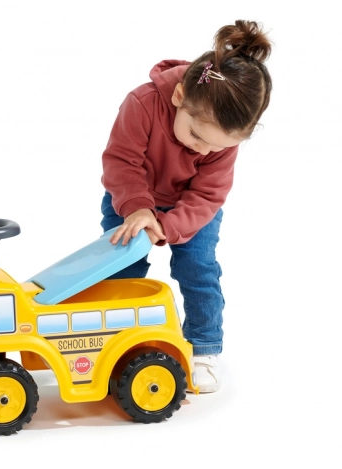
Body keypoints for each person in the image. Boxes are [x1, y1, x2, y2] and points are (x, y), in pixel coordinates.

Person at [99, 20, 272, 392]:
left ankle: (204, 347)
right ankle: (117, 341)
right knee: (118, 271)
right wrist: (138, 208)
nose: (202, 150)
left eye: (216, 146)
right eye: (196, 135)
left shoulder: (219, 139)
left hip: (191, 207)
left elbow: (208, 195)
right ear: (179, 97)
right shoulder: (142, 103)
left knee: (199, 270)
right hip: (130, 198)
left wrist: (170, 226)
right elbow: (121, 162)